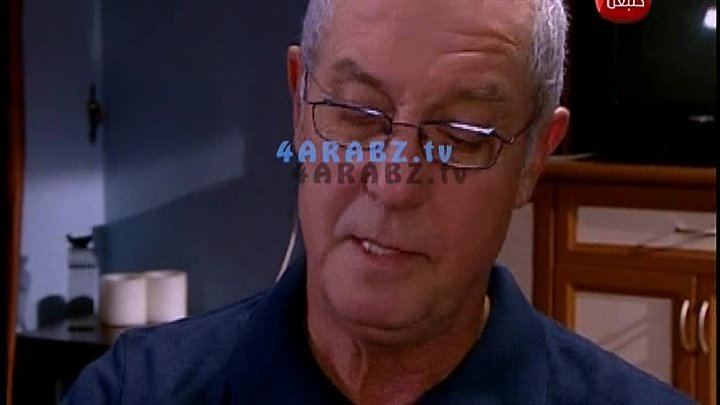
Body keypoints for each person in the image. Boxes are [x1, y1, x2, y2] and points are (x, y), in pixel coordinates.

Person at [64, 0, 698, 404]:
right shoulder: (134, 392)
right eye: (357, 114)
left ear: (534, 157)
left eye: (462, 135)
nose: (395, 185)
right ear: (299, 104)